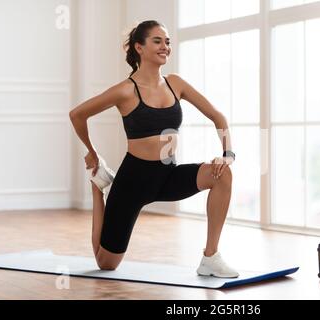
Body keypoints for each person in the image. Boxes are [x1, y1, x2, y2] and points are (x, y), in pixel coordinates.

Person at [69, 20, 238, 278]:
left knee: (223, 174)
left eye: (167, 41)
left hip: (168, 175)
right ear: (139, 47)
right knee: (106, 264)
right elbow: (77, 114)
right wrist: (92, 152)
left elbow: (218, 117)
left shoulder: (175, 83)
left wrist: (227, 155)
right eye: (157, 41)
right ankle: (98, 189)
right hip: (133, 181)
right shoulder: (126, 90)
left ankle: (210, 256)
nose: (165, 47)